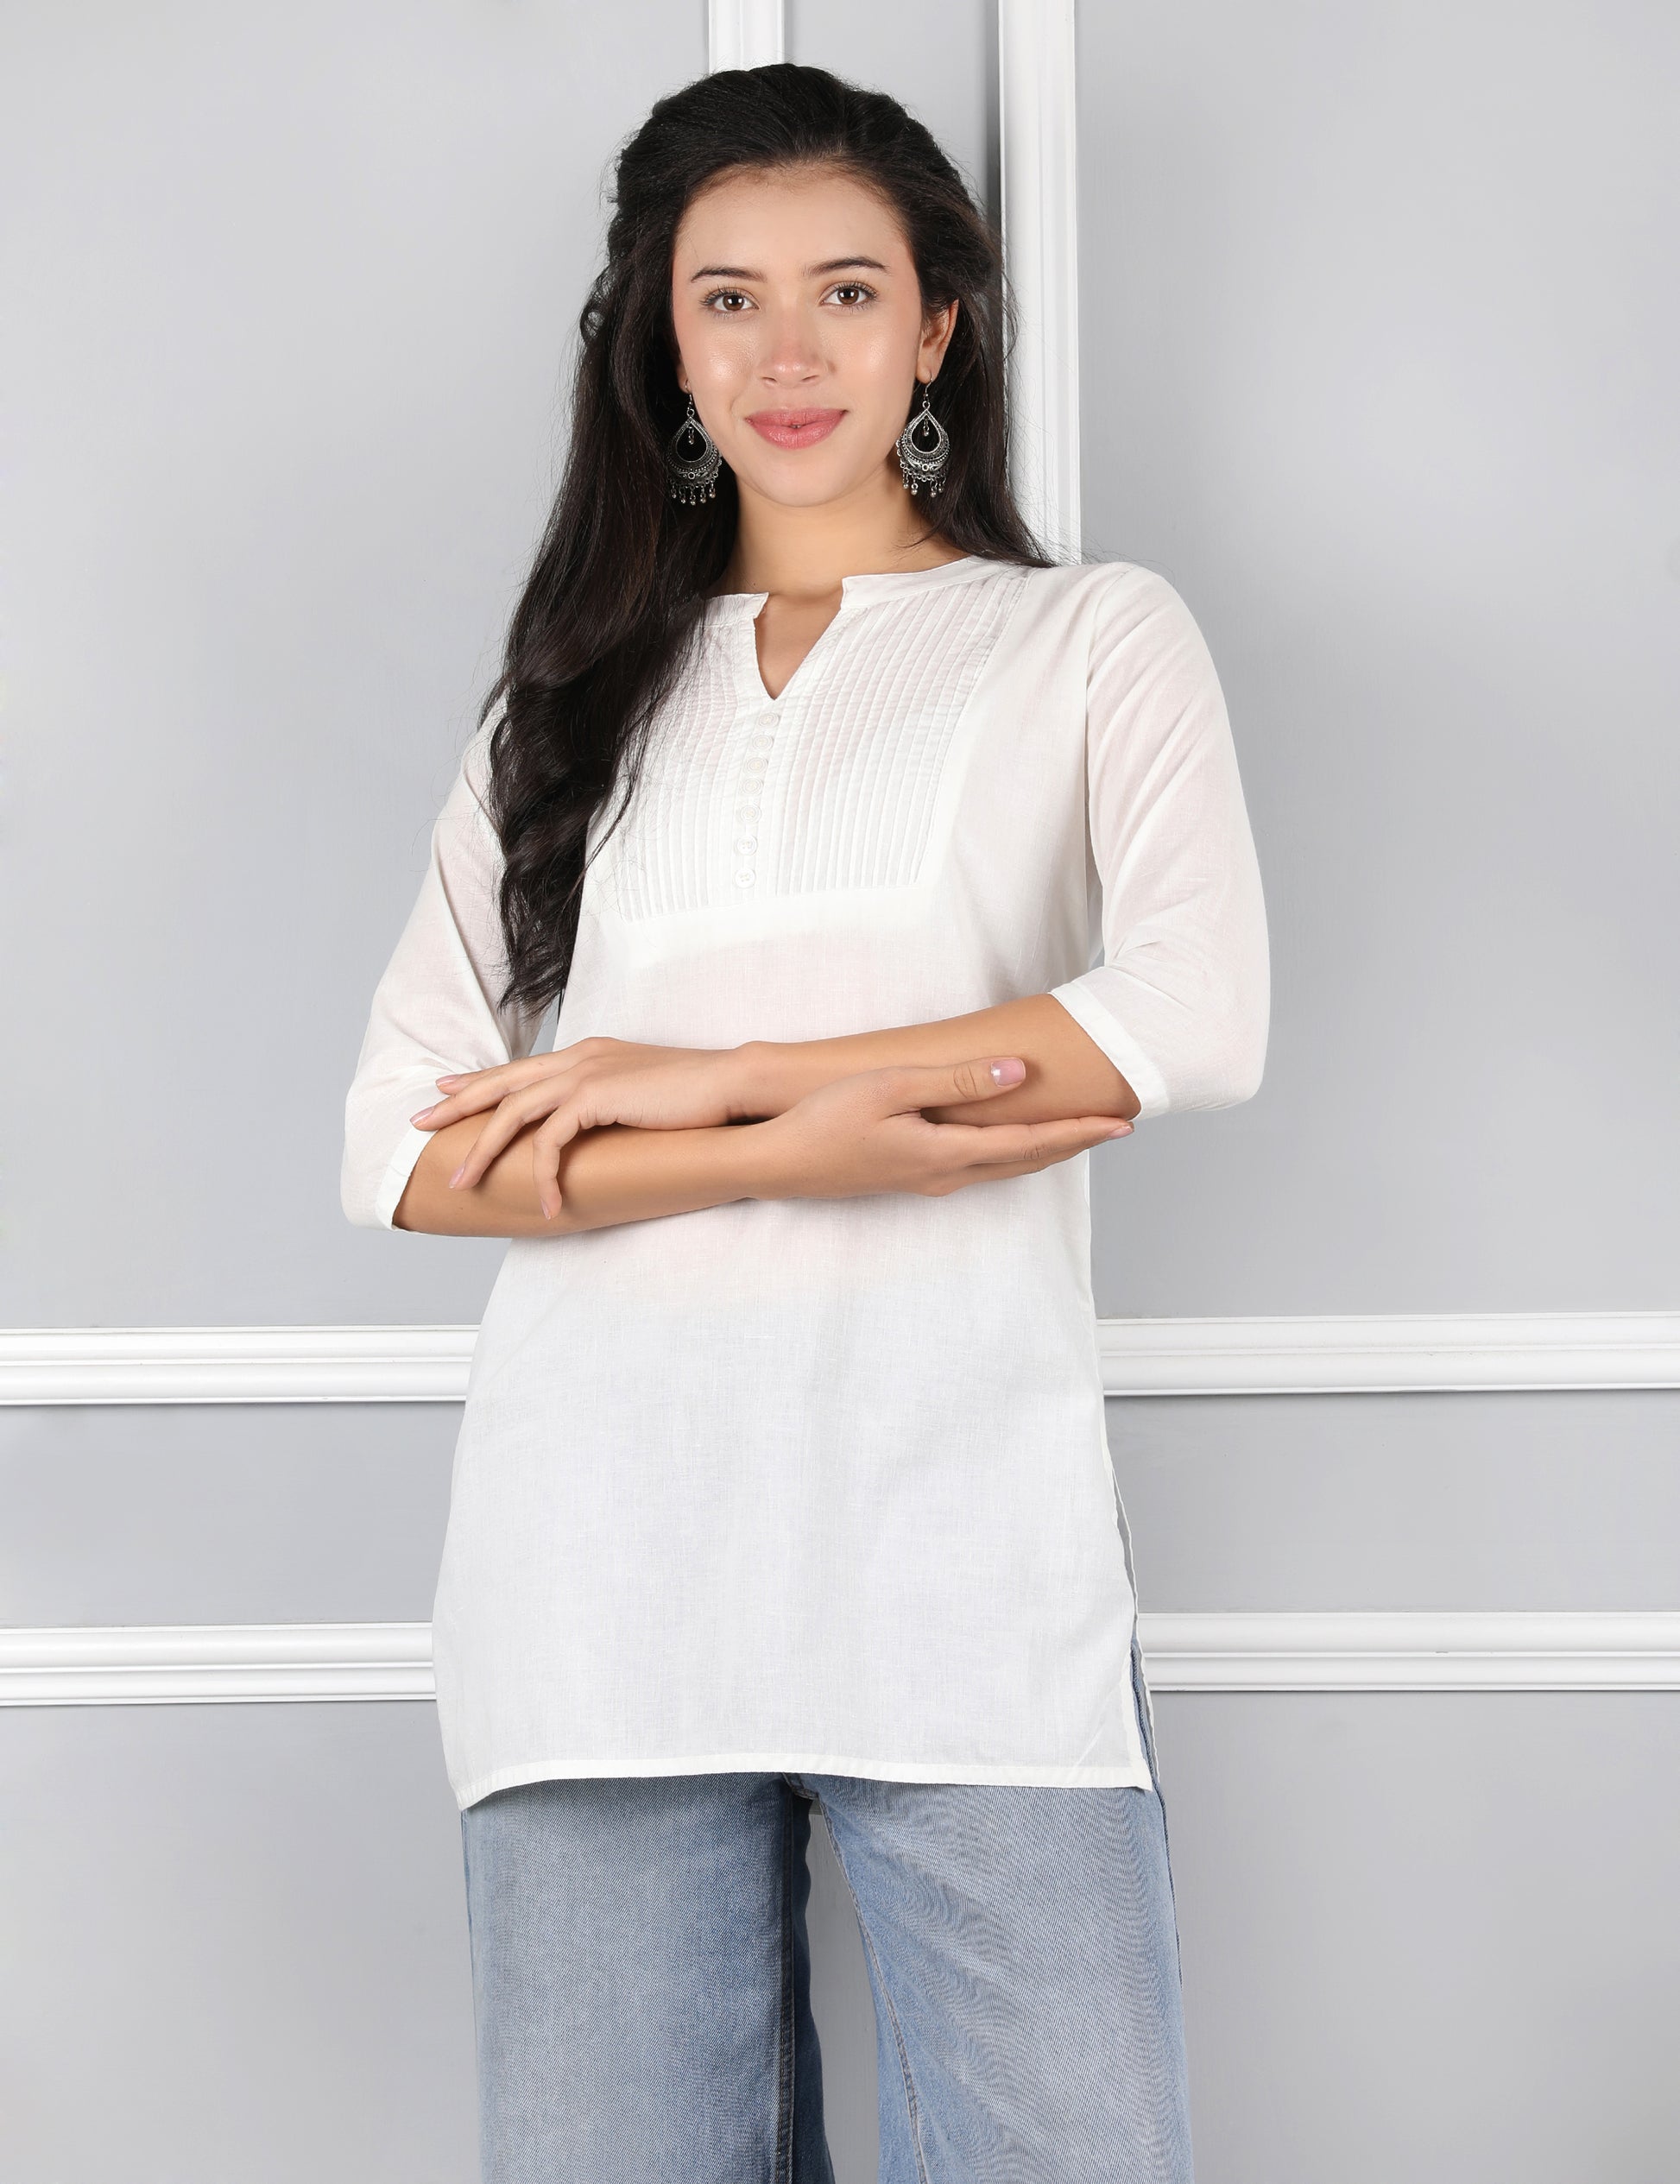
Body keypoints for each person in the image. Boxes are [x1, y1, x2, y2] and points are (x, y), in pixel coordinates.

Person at [340, 60, 1267, 2184]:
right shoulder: (568, 702)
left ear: (934, 326)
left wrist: (703, 1078)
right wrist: (790, 1150)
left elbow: (1190, 1017)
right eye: (728, 299)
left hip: (962, 1551)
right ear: (662, 347)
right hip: (596, 1574)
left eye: (845, 292)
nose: (787, 353)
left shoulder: (1082, 640)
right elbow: (397, 1143)